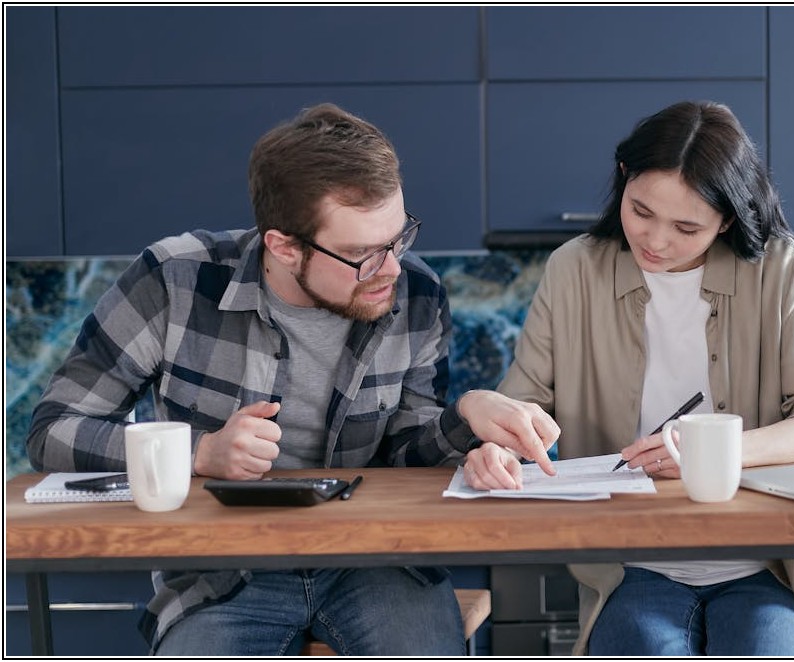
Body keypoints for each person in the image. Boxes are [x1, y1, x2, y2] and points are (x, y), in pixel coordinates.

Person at [26, 102, 559, 656]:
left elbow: (408, 455)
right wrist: (200, 451)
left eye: (398, 239)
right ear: (284, 246)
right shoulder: (173, 280)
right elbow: (54, 430)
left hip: (376, 559)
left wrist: (468, 412)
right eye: (362, 255)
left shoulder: (418, 295)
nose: (393, 269)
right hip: (221, 570)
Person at [462, 100, 794, 656]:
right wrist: (499, 445)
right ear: (623, 178)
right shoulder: (575, 270)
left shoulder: (781, 270)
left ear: (728, 217)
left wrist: (717, 454)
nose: (655, 241)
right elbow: (522, 404)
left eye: (687, 227)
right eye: (640, 210)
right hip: (630, 564)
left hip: (766, 561)